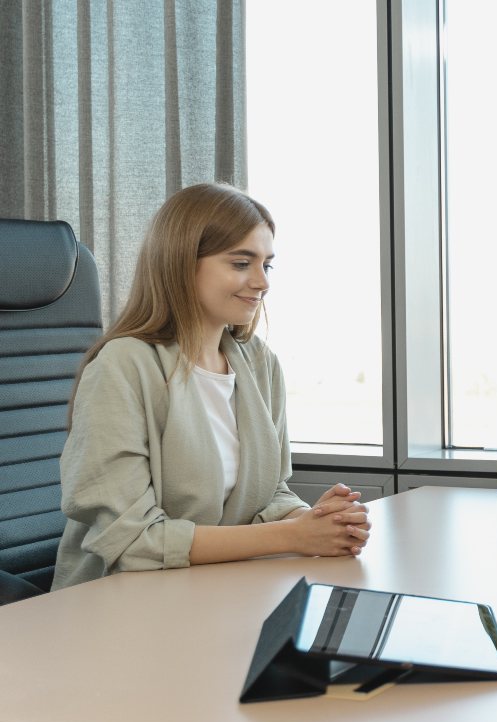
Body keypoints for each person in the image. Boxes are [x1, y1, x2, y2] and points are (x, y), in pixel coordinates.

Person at [52, 183, 371, 590]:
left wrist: (315, 521)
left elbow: (271, 494)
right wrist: (293, 536)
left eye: (267, 265)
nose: (262, 282)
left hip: (214, 591)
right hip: (120, 603)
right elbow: (131, 541)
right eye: (241, 263)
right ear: (182, 264)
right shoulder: (123, 366)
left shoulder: (259, 364)